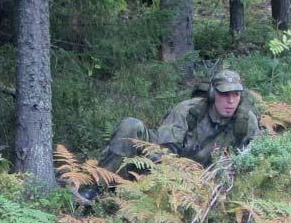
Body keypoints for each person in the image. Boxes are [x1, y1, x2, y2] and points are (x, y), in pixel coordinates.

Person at [92, 69, 260, 186]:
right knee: (130, 125)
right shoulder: (188, 111)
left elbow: (255, 160)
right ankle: (102, 187)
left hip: (205, 181)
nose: (230, 101)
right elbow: (164, 151)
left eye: (235, 95)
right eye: (224, 95)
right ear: (212, 94)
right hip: (167, 166)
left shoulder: (246, 121)